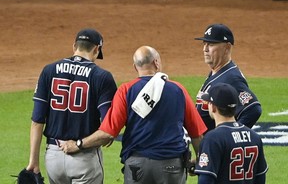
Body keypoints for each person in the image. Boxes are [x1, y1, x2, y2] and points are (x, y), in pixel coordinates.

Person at [61, 45, 207, 184]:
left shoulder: (126, 90)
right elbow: (196, 133)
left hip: (137, 165)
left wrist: (78, 144)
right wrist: (201, 162)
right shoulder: (178, 89)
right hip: (171, 165)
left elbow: (108, 133)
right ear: (156, 63)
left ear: (135, 67)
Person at [26, 28, 117, 184]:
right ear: (96, 49)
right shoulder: (102, 77)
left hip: (53, 158)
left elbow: (37, 121)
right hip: (84, 157)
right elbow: (108, 125)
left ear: (74, 46)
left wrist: (33, 161)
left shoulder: (48, 71)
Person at [194, 83, 268, 183]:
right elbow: (260, 179)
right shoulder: (254, 137)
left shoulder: (212, 139)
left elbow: (205, 180)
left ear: (214, 107)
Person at [194, 23, 262, 132]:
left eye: (211, 44)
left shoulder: (232, 78)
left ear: (227, 47)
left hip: (217, 146)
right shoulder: (218, 71)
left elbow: (253, 109)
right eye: (204, 43)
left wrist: (231, 136)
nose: (205, 49)